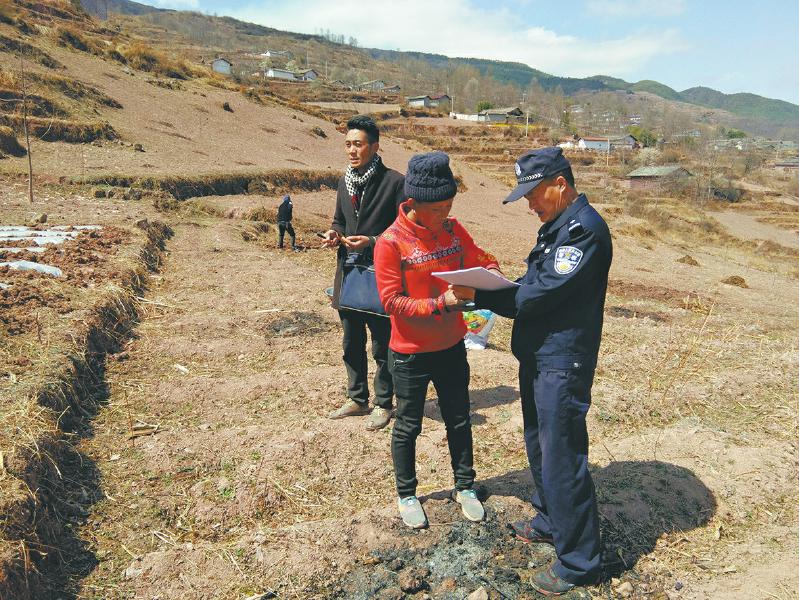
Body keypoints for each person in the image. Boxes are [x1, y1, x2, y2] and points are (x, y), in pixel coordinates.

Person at [452, 147, 612, 595]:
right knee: (540, 446)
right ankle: (549, 519)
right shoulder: (555, 227)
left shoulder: (583, 232)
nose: (530, 204)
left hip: (562, 360)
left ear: (560, 184)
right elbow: (535, 287)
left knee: (562, 456)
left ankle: (580, 562)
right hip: (539, 356)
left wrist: (479, 295)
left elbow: (538, 295)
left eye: (535, 194)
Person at [374, 151, 500, 529]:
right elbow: (390, 301)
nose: (446, 213)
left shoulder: (452, 229)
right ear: (413, 204)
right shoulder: (390, 242)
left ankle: (465, 486)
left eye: (449, 205)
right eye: (439, 207)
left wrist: (491, 272)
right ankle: (408, 494)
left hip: (451, 347)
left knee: (459, 419)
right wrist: (438, 303)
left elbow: (479, 257)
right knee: (408, 425)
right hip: (411, 353)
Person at [321, 115, 405, 431]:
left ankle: (384, 403)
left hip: (380, 275)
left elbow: (404, 231)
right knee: (350, 342)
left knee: (382, 345)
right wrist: (334, 233)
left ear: (375, 146)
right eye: (348, 144)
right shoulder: (344, 181)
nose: (352, 151)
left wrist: (371, 241)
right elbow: (339, 220)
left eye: (358, 144)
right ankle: (357, 398)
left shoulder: (395, 182)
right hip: (349, 272)